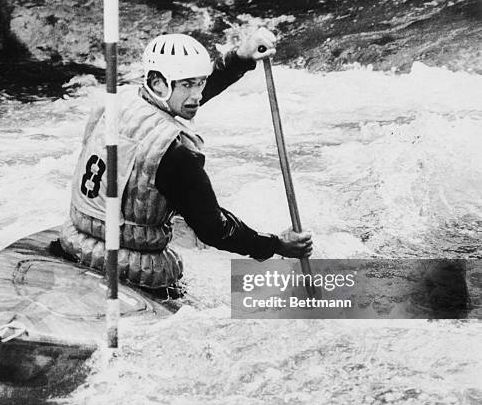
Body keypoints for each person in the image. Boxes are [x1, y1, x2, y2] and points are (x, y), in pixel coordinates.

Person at [58, 29, 313, 291]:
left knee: (180, 217)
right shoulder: (176, 153)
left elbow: (187, 97)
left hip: (77, 237)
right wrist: (276, 245)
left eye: (200, 83)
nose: (197, 95)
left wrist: (240, 58)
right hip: (132, 267)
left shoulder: (118, 99)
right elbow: (215, 230)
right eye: (188, 84)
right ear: (158, 83)